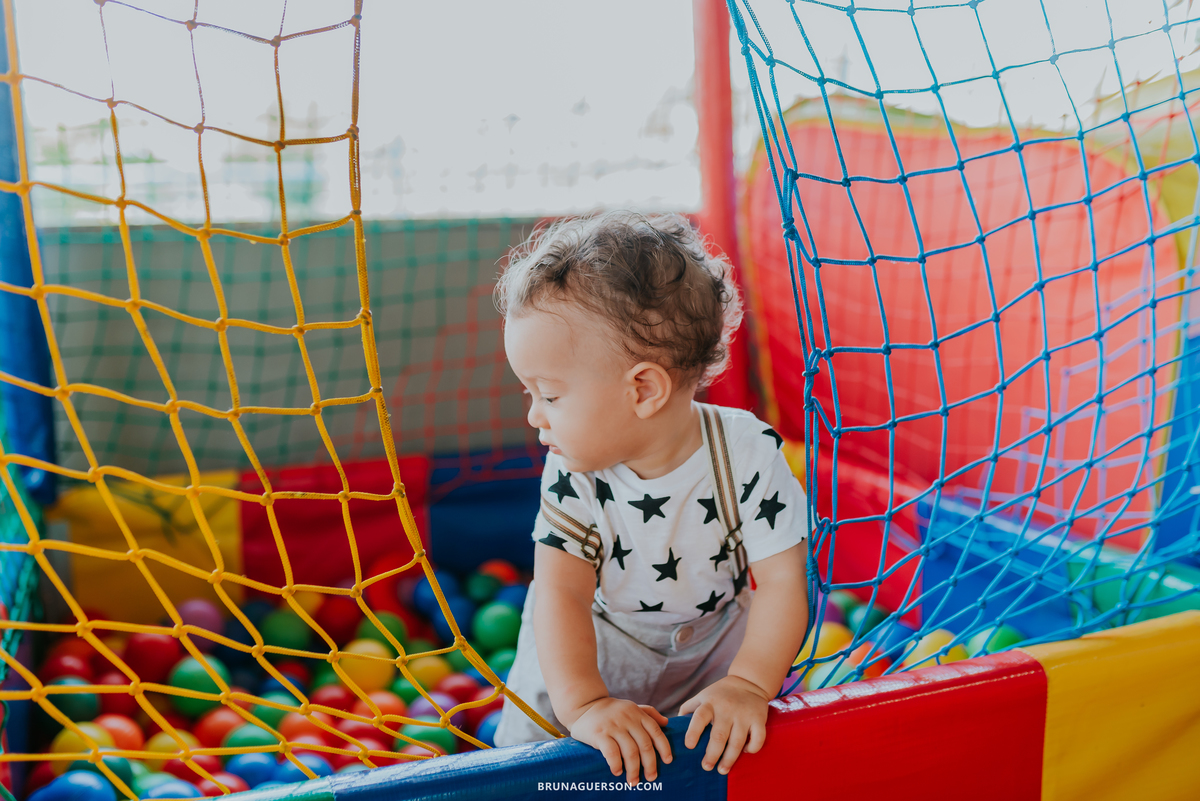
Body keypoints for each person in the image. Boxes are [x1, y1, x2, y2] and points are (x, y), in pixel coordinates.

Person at [491, 211, 809, 785]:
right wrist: (585, 705)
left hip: (714, 651)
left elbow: (784, 582)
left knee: (712, 767)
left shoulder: (746, 450)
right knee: (533, 775)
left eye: (550, 395)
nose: (534, 416)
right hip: (589, 654)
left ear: (643, 388)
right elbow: (560, 596)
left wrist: (748, 684)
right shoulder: (572, 471)